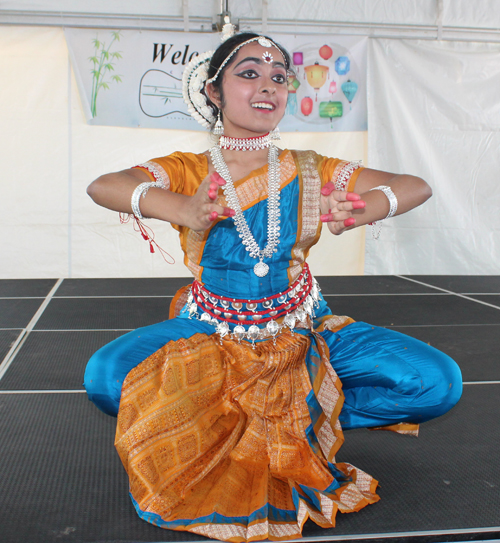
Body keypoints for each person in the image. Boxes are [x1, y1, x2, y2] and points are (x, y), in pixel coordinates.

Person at [84, 31, 462, 543]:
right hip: (209, 331)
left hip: (304, 327)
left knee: (435, 383)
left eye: (279, 77)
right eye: (249, 74)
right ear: (214, 93)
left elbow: (414, 184)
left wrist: (360, 209)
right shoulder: (189, 169)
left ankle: (306, 409)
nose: (268, 86)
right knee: (106, 378)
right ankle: (268, 413)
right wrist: (182, 208)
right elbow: (104, 184)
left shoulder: (309, 168)